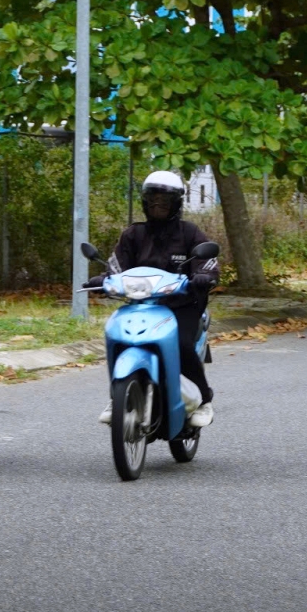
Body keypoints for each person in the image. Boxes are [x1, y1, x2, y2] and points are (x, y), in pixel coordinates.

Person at [97, 170, 220, 428]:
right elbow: (116, 266)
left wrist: (203, 275)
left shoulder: (189, 233)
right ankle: (116, 395)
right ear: (144, 201)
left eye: (164, 200)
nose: (157, 204)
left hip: (181, 307)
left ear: (176, 202)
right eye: (152, 199)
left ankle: (204, 400)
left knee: (183, 344)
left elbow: (207, 261)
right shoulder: (133, 234)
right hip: (139, 305)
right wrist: (104, 279)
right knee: (116, 335)